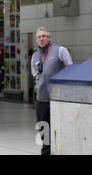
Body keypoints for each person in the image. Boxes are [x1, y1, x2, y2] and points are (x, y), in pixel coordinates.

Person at [31, 27, 73, 155]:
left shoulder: (60, 51)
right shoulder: (34, 56)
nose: (42, 39)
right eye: (39, 37)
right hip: (42, 98)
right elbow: (35, 75)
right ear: (37, 40)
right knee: (44, 127)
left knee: (59, 127)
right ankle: (46, 151)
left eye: (44, 36)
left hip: (57, 98)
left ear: (49, 38)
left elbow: (70, 70)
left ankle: (61, 149)